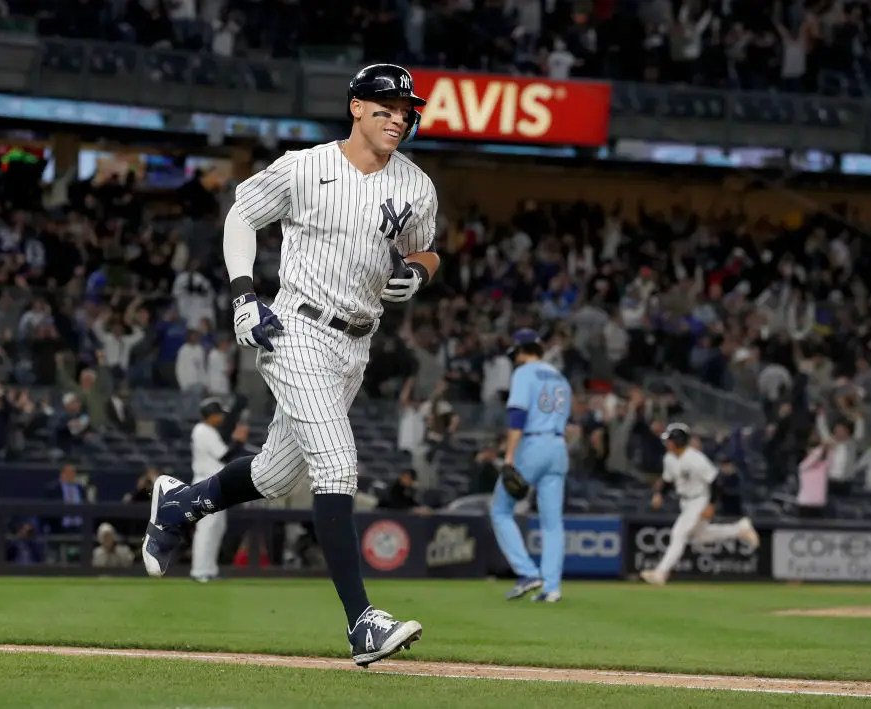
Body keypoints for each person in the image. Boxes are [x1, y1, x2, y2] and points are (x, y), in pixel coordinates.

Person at [142, 64, 439, 667]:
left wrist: (419, 272)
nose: (398, 118)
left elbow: (427, 249)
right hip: (296, 326)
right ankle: (361, 623)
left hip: (356, 344)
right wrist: (245, 294)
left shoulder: (416, 185)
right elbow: (242, 216)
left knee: (277, 475)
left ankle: (179, 505)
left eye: (406, 111)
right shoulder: (305, 166)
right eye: (385, 107)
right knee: (336, 460)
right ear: (356, 107)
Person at [490, 329, 573, 603]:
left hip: (533, 445)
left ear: (520, 351)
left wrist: (510, 455)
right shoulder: (561, 377)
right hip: (559, 447)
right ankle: (552, 587)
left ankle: (527, 572)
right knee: (552, 522)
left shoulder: (524, 373)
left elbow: (518, 416)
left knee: (501, 509)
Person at [641, 423, 761, 586]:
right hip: (685, 501)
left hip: (699, 499)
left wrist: (710, 505)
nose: (667, 443)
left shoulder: (695, 459)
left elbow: (715, 482)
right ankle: (740, 529)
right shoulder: (669, 458)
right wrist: (659, 494)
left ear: (678, 441)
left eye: (669, 440)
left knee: (679, 533)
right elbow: (668, 480)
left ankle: (661, 573)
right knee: (701, 536)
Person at [189, 398, 233, 582]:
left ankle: (209, 569)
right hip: (205, 484)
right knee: (207, 528)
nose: (221, 417)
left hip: (214, 484)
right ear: (211, 415)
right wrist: (238, 441)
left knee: (217, 527)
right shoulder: (202, 430)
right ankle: (199, 571)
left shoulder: (209, 431)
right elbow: (225, 455)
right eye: (218, 414)